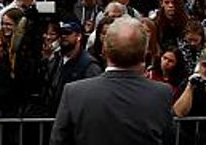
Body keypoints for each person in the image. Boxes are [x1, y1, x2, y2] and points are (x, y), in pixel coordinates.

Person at [50, 17, 173, 145]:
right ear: (144, 52)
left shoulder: (74, 93)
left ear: (104, 50)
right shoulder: (161, 94)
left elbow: (58, 141)